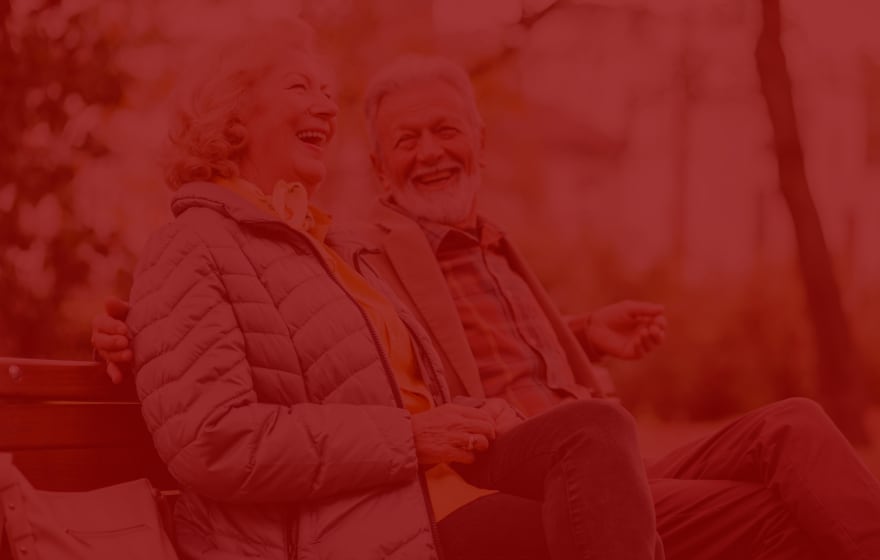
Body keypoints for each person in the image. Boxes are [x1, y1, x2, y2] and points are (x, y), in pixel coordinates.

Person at [95, 52, 880, 558]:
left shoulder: (317, 245)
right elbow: (205, 389)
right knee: (780, 519)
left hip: (524, 465)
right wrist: (117, 326)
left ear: (481, 140)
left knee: (792, 425)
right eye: (300, 85)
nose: (430, 152)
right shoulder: (356, 245)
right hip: (439, 487)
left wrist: (581, 338)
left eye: (447, 131)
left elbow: (305, 346)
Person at [123, 21, 662, 560]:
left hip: (437, 489)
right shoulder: (190, 245)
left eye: (328, 93)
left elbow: (386, 388)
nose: (328, 108)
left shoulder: (329, 245)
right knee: (610, 519)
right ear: (234, 114)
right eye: (300, 88)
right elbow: (212, 438)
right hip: (351, 526)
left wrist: (472, 412)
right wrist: (412, 437)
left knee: (596, 428)